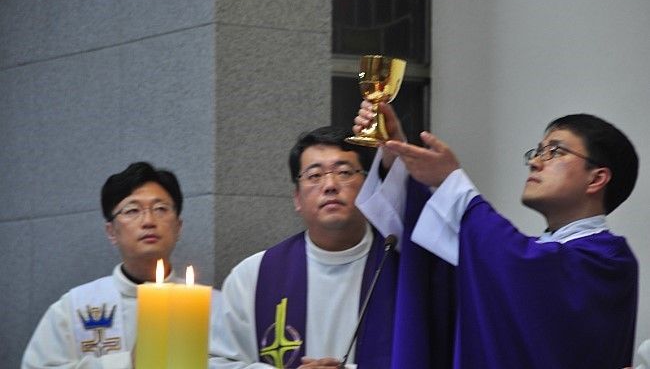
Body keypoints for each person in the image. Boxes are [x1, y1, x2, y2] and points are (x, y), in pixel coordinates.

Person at [354, 101, 639, 369]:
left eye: (554, 152)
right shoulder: (538, 255)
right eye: (537, 152)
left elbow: (522, 266)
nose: (535, 162)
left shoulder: (608, 262)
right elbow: (435, 267)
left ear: (596, 178)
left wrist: (452, 182)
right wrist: (395, 154)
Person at [209, 126, 398, 369]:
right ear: (297, 198)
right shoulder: (251, 277)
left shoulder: (401, 270)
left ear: (369, 186)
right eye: (314, 175)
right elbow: (218, 362)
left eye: (344, 172)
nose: (330, 185)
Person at [22, 162, 186, 369]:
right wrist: (126, 364)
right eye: (132, 210)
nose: (148, 221)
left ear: (178, 227)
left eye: (160, 209)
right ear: (111, 232)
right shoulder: (72, 308)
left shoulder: (211, 306)